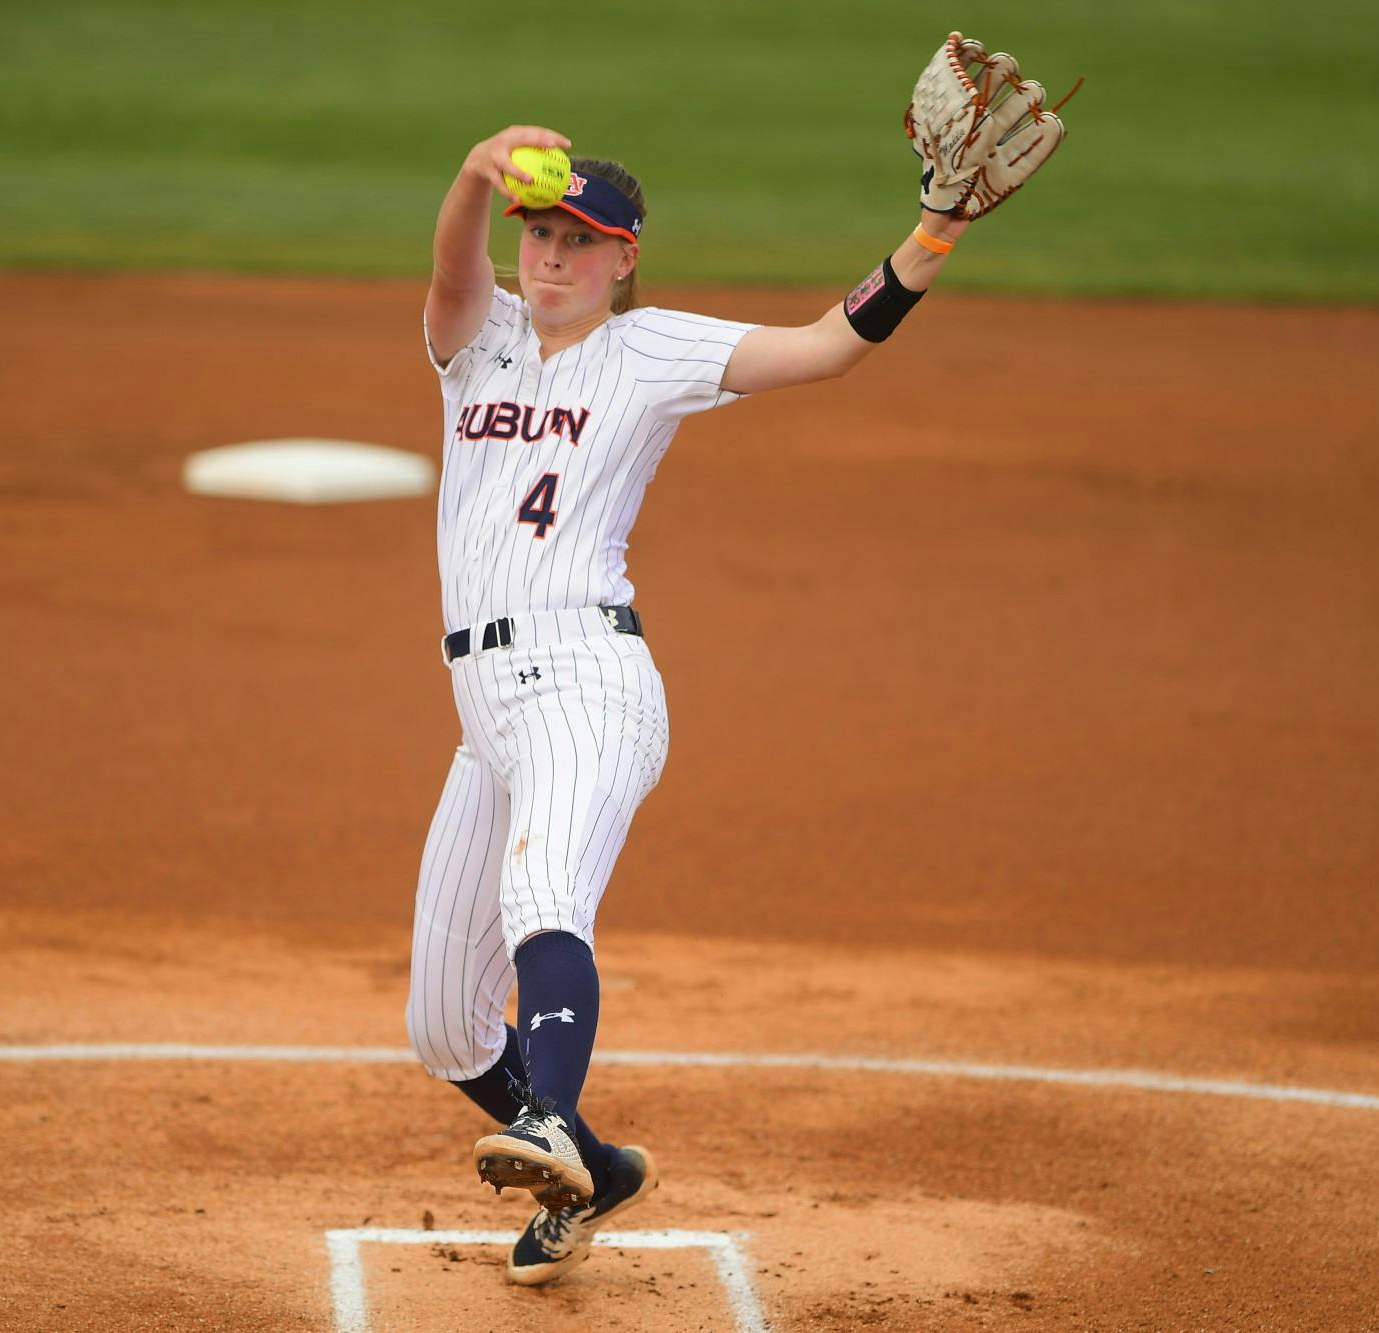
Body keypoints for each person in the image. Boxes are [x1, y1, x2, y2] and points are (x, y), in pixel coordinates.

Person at [405, 40, 1061, 1290]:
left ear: (623, 259)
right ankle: (595, 1163)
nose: (552, 257)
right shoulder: (475, 339)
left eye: (581, 242)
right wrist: (475, 173)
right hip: (482, 711)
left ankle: (550, 1121)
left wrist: (931, 234)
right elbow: (449, 266)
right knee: (440, 1023)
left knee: (544, 895)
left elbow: (824, 345)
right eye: (540, 234)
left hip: (585, 683)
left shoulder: (650, 352)